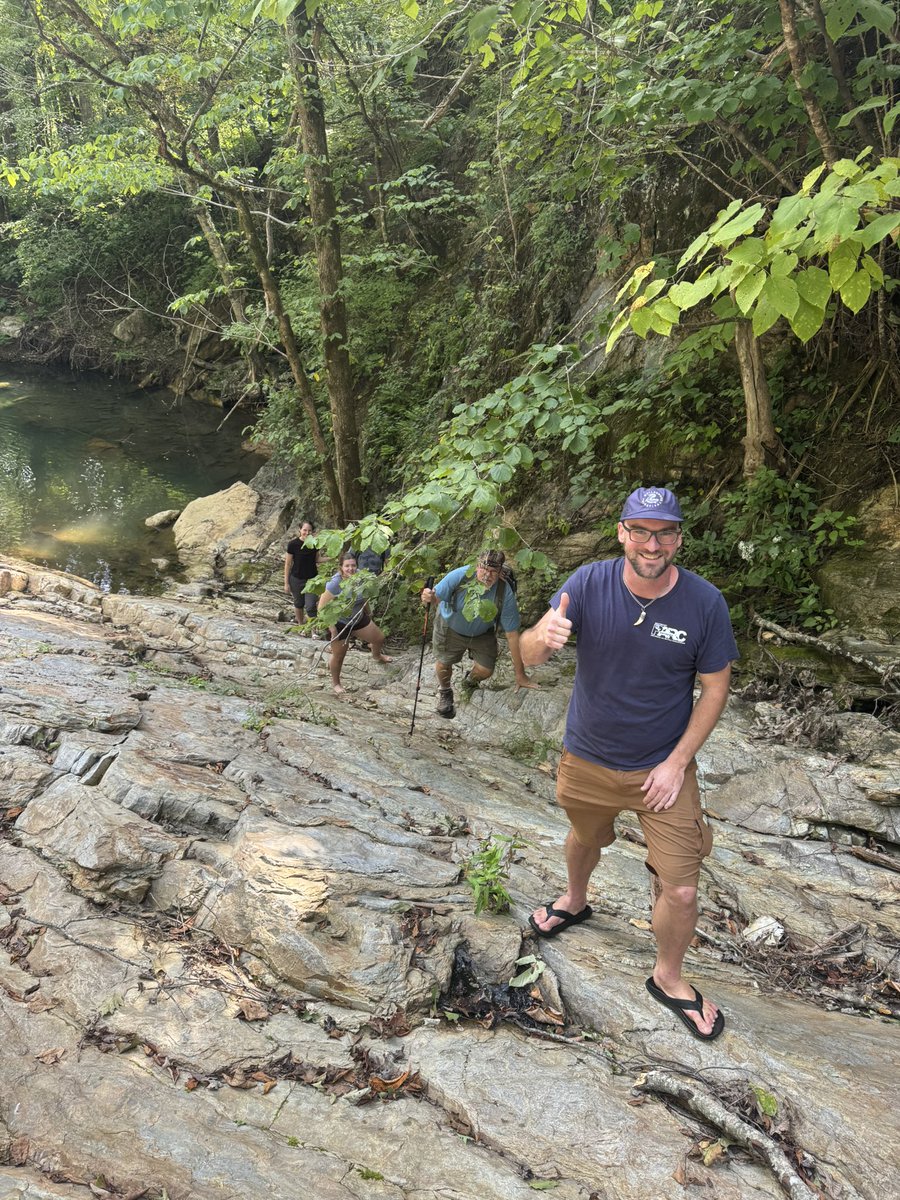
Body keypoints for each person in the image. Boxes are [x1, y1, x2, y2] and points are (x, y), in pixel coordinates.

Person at [520, 487, 738, 1041]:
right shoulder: (587, 584)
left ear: (678, 539)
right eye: (640, 530)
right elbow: (527, 653)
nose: (652, 542)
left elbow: (714, 689)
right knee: (585, 837)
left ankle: (668, 977)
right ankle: (574, 899)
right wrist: (540, 639)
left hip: (662, 772)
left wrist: (677, 762)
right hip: (587, 758)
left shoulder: (704, 602)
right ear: (621, 532)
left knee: (682, 887)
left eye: (664, 532)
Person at [421, 549, 536, 719]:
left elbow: (512, 634)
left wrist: (520, 675)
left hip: (482, 632)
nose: (487, 575)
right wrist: (428, 597)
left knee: (486, 670)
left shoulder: (505, 592)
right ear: (477, 566)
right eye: (483, 569)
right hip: (450, 627)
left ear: (500, 572)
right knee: (444, 663)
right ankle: (445, 691)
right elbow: (436, 598)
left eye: (493, 572)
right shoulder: (459, 576)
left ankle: (469, 681)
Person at [318, 552, 393, 695]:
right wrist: (332, 628)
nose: (351, 569)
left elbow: (364, 596)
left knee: (379, 638)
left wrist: (368, 611)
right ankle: (336, 684)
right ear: (341, 567)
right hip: (339, 623)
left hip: (358, 618)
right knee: (339, 656)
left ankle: (377, 656)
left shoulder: (360, 577)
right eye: (347, 566)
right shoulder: (335, 583)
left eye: (353, 565)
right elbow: (321, 608)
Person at [283, 520, 320, 627]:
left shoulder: (315, 543)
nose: (307, 533)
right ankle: (301, 626)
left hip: (312, 579)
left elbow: (317, 559)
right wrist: (286, 583)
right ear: (300, 530)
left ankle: (313, 630)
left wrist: (332, 557)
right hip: (296, 579)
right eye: (304, 530)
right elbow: (288, 564)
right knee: (299, 604)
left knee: (311, 606)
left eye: (309, 530)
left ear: (312, 532)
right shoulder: (293, 544)